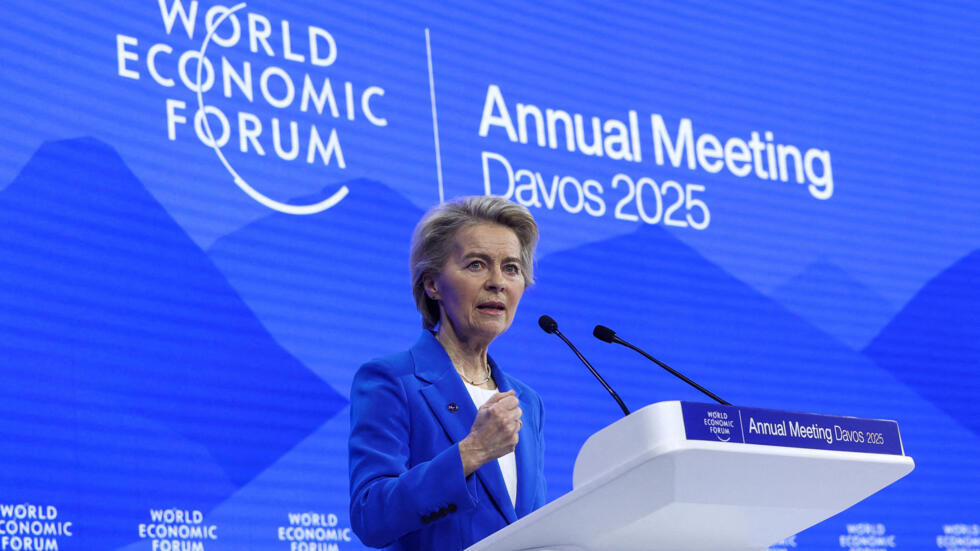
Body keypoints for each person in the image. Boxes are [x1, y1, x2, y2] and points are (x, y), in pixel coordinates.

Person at [348, 196, 546, 551]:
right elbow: (370, 514)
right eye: (476, 265)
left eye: (511, 268)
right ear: (432, 284)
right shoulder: (392, 381)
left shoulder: (527, 403)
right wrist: (471, 451)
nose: (497, 282)